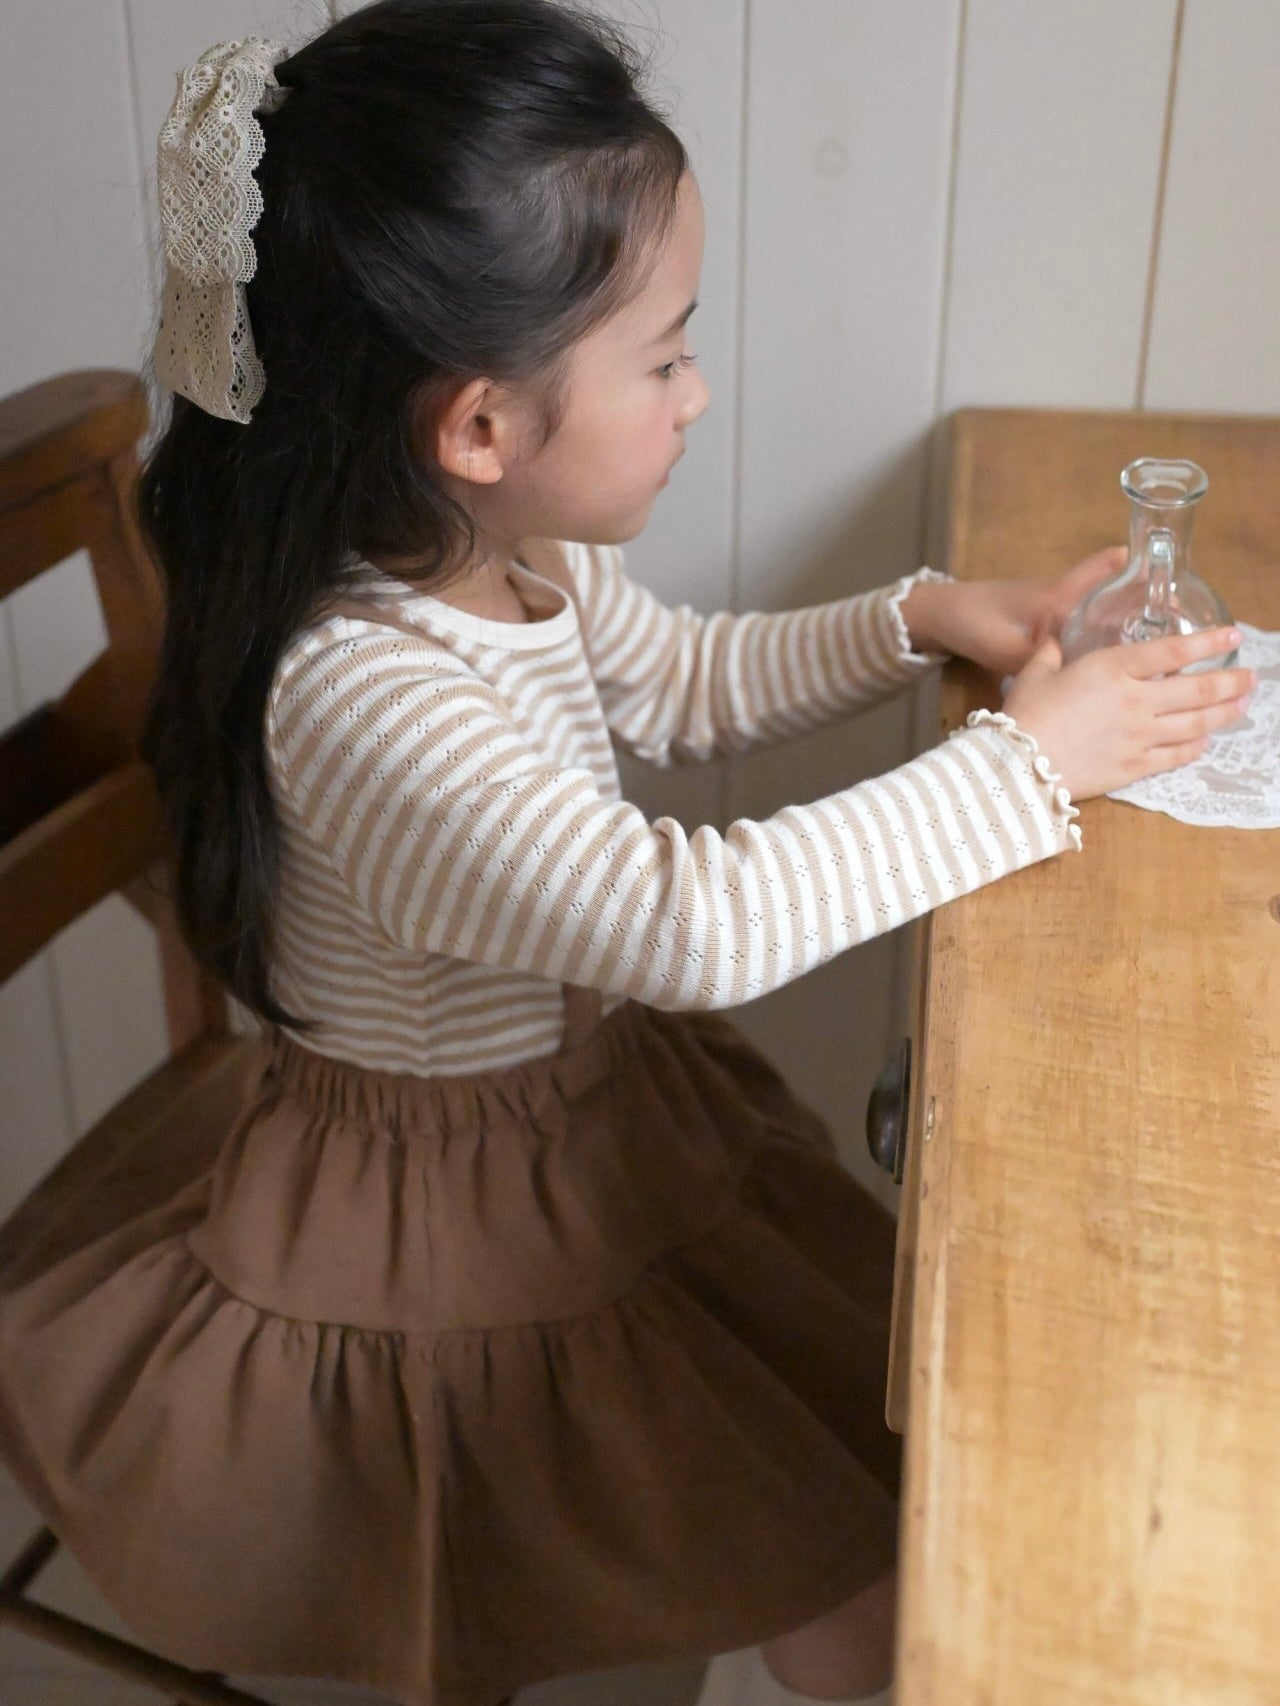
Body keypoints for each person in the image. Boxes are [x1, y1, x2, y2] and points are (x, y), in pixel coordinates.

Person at [0, 4, 1254, 1705]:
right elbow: (689, 923)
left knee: (850, 1485)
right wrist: (1027, 763)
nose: (696, 392)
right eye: (664, 358)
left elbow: (680, 684)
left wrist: (923, 616)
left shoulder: (497, 552)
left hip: (578, 1117)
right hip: (440, 1217)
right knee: (846, 1592)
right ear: (478, 426)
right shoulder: (366, 696)